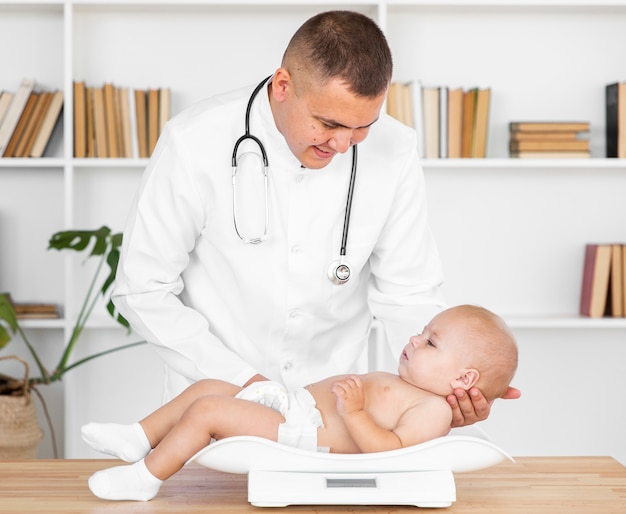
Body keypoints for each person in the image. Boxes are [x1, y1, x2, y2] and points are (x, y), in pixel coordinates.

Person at [111, 10, 518, 430]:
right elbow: (143, 289)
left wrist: (449, 386)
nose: (343, 144)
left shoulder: (395, 149)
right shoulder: (194, 141)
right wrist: (243, 383)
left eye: (362, 128)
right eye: (328, 123)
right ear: (283, 85)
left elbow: (407, 293)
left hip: (339, 422)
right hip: (210, 410)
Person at [83, 305, 518, 502]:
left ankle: (146, 477)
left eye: (430, 341)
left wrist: (355, 413)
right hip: (290, 405)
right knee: (209, 386)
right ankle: (138, 436)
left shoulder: (436, 411)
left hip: (304, 434)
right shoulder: (414, 387)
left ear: (464, 379)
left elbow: (390, 452)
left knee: (208, 411)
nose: (413, 339)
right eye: (422, 331)